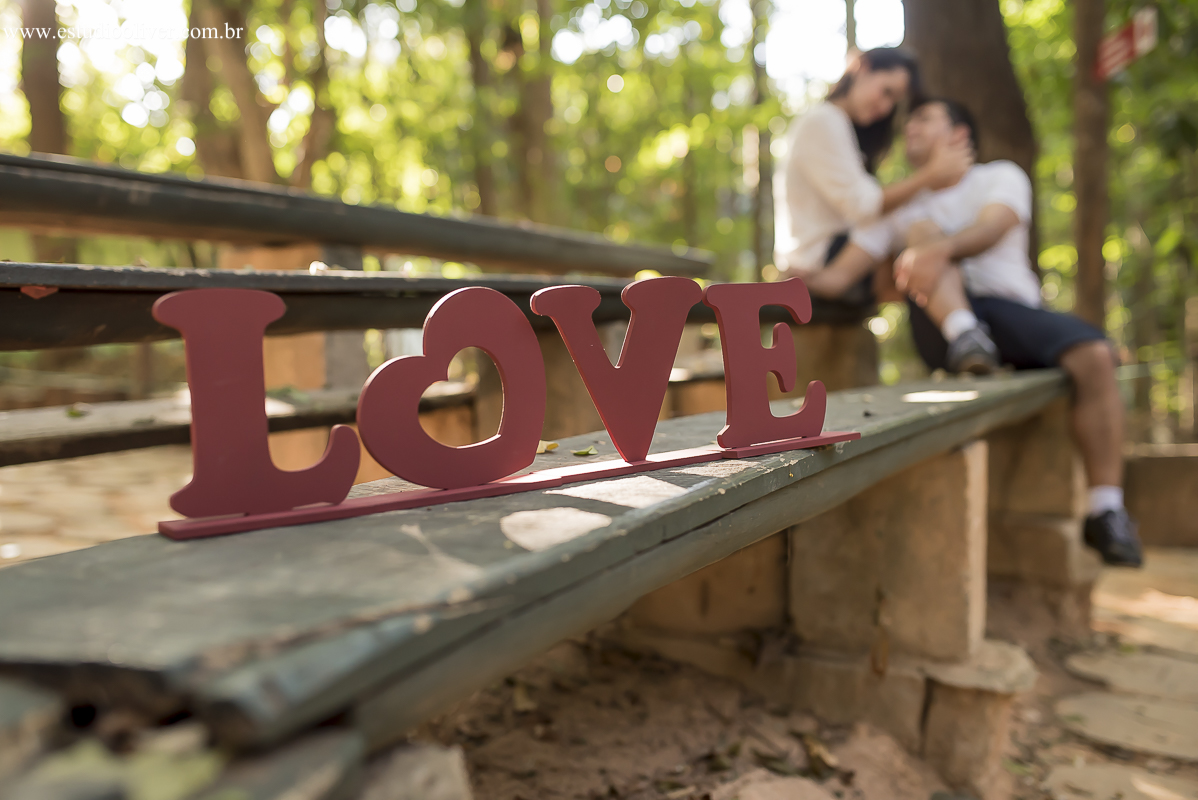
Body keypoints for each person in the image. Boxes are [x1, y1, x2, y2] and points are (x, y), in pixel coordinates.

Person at [798, 97, 1143, 568]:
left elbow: (991, 229)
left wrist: (934, 252)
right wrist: (784, 279)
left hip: (1011, 314)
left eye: (924, 118)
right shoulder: (901, 209)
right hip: (938, 325)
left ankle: (1107, 510)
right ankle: (964, 335)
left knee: (1096, 355)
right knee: (918, 230)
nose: (910, 126)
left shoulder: (1000, 176)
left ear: (960, 136)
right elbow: (837, 277)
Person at [774, 47, 973, 286]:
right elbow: (864, 205)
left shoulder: (839, 126)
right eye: (886, 92)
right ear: (862, 67)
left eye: (894, 101)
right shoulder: (824, 120)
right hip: (817, 258)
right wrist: (930, 176)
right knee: (909, 220)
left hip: (829, 253)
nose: (886, 108)